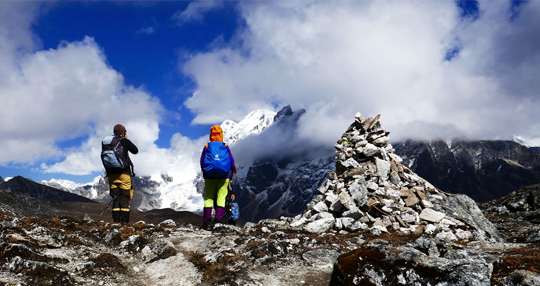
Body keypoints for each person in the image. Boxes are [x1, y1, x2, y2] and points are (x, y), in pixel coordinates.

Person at [200, 125, 236, 230]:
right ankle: (218, 222)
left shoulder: (207, 146)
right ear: (221, 134)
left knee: (208, 198)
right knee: (221, 198)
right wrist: (233, 168)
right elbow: (231, 159)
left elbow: (202, 161)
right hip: (224, 176)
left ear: (211, 134)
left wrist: (205, 172)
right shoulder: (225, 145)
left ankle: (206, 222)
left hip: (209, 177)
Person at [104, 124, 138, 225]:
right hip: (124, 174)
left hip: (111, 174)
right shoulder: (123, 141)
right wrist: (126, 140)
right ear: (123, 133)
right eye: (125, 132)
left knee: (115, 198)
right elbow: (135, 151)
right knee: (124, 198)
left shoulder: (108, 143)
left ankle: (115, 223)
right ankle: (125, 224)